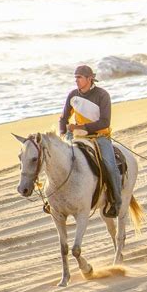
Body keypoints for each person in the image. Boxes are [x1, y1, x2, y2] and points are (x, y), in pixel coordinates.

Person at [58, 65, 122, 218]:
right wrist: (62, 134)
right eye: (75, 78)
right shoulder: (73, 95)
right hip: (77, 137)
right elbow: (63, 118)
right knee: (56, 159)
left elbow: (105, 122)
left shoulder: (102, 95)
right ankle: (53, 200)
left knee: (110, 166)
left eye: (79, 77)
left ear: (89, 78)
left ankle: (116, 202)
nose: (77, 81)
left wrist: (81, 126)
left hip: (99, 138)